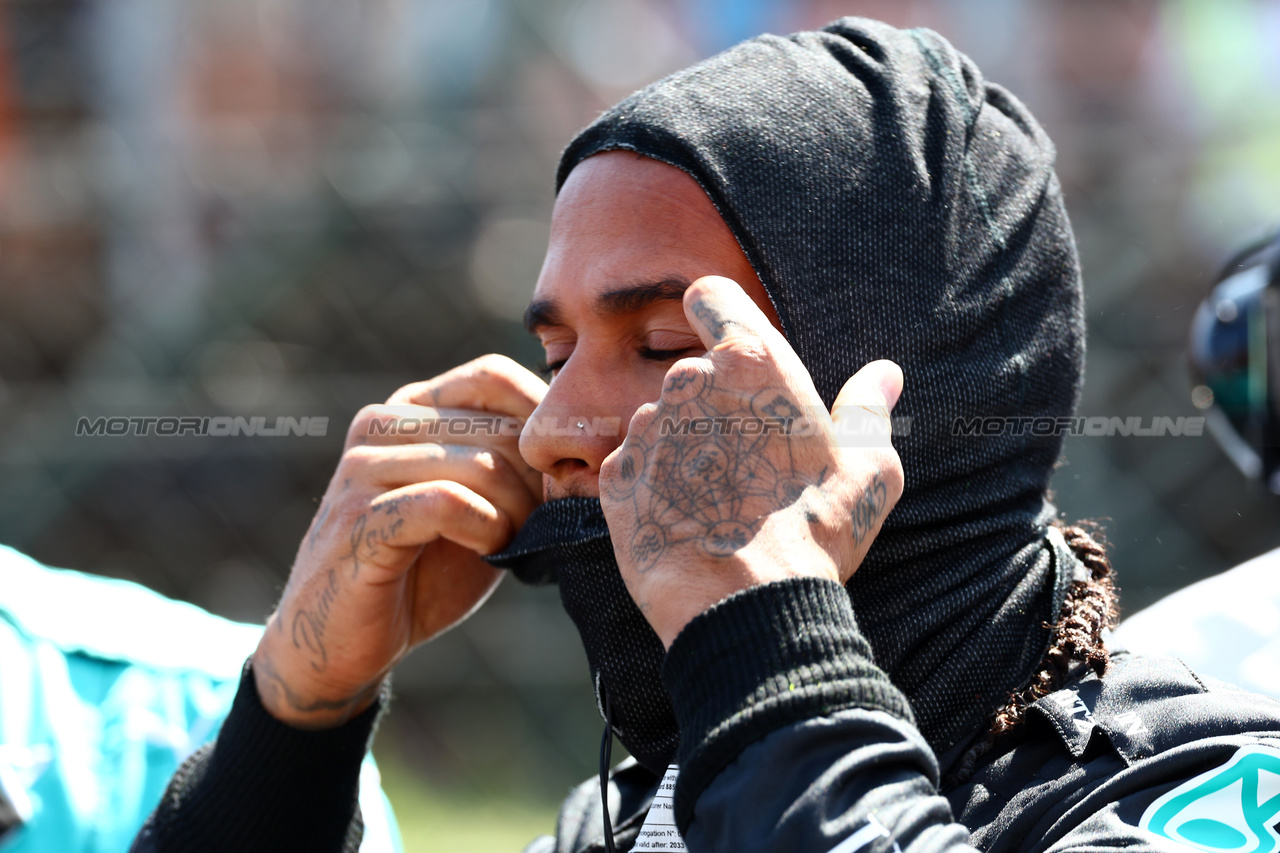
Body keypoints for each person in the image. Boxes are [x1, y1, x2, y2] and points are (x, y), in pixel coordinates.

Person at [132, 17, 1280, 853]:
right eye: (553, 354)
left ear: (906, 383)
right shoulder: (634, 819)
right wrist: (290, 722)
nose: (554, 434)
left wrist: (769, 646)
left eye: (666, 349)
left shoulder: (1190, 789)